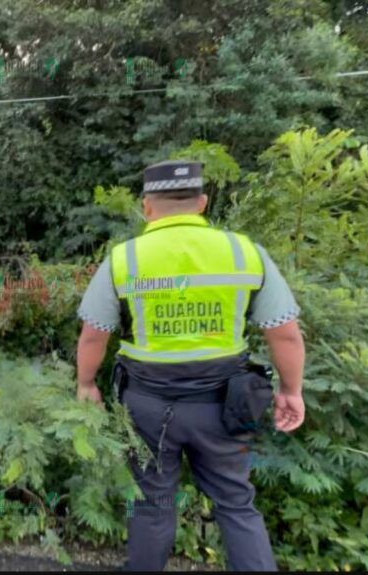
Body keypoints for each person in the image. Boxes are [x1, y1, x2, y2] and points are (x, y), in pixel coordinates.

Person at [74, 160, 306, 571]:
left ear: (147, 206)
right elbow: (283, 333)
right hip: (226, 407)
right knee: (236, 503)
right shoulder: (243, 252)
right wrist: (291, 391)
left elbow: (95, 334)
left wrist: (86, 384)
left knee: (150, 504)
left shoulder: (124, 258)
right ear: (201, 203)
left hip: (145, 407)